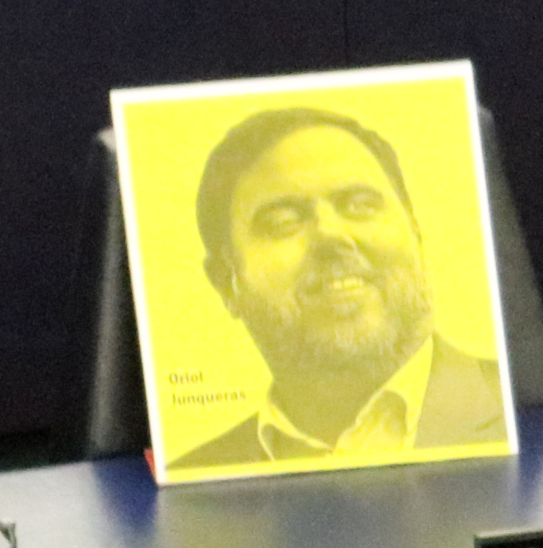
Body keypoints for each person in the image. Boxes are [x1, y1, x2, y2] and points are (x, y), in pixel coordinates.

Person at [167, 105, 507, 468]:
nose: (331, 236)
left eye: (360, 205)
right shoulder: (194, 479)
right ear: (225, 282)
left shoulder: (520, 410)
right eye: (282, 222)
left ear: (416, 234)